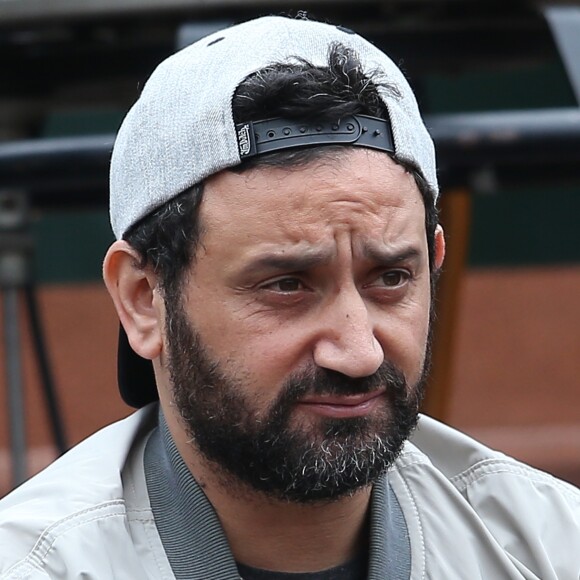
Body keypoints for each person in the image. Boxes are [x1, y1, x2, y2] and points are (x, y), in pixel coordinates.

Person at [0, 15, 578, 580]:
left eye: (391, 278)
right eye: (286, 285)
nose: (358, 353)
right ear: (144, 299)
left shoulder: (552, 550)